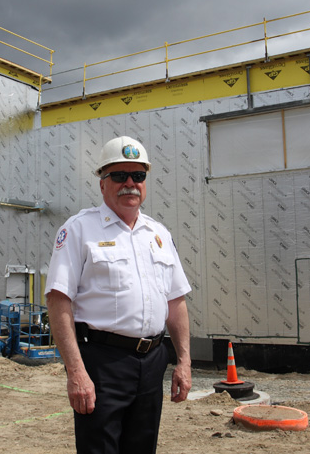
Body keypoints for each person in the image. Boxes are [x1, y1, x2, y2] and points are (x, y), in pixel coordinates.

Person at [45, 136, 192, 454]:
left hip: (153, 362)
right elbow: (58, 301)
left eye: (138, 176)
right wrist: (76, 372)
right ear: (102, 183)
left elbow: (175, 301)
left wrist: (184, 362)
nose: (130, 183)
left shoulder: (158, 234)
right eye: (119, 175)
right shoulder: (80, 230)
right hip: (103, 364)